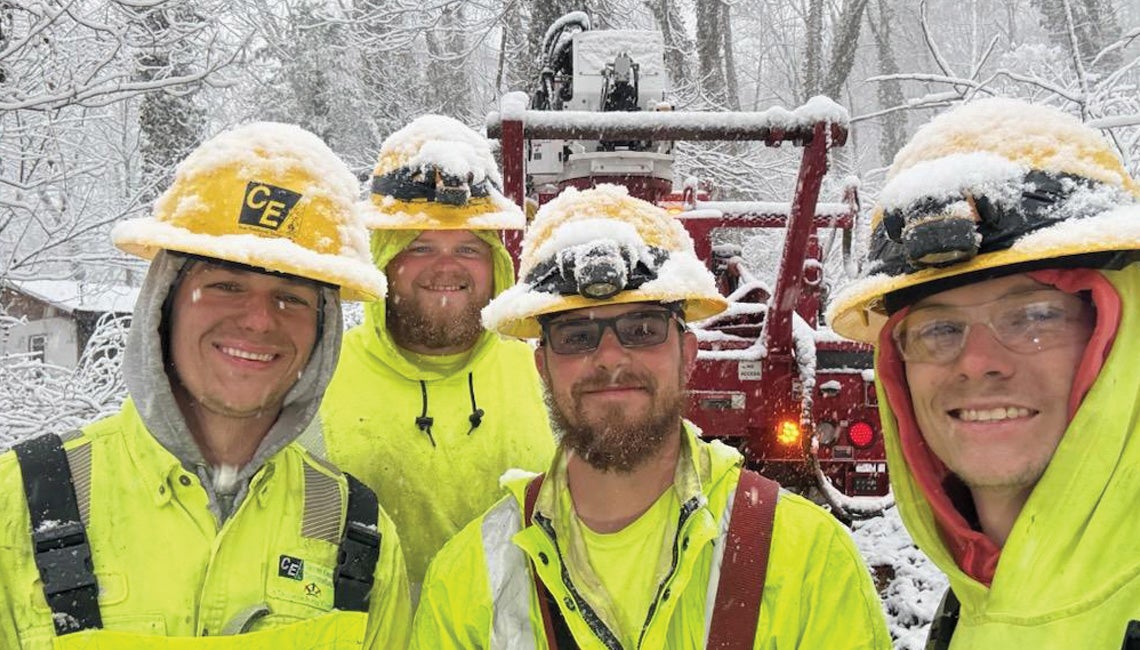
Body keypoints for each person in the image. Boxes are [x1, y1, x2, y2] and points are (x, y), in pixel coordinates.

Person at [411, 185, 892, 648]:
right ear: (543, 366)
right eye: (577, 335)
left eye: (641, 328)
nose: (610, 358)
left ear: (687, 353)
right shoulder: (470, 576)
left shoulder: (810, 561)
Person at [0, 123, 412, 648]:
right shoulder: (21, 502)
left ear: (323, 332)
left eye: (290, 296)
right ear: (163, 306)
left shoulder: (356, 530)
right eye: (225, 285)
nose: (259, 320)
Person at [827, 98, 1140, 649]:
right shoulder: (970, 604)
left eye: (1035, 317)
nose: (976, 362)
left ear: (1119, 338)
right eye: (937, 330)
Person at [316, 115, 556, 596]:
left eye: (469, 247)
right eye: (420, 246)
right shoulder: (318, 382)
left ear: (496, 266)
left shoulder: (545, 378)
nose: (446, 267)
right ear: (384, 257)